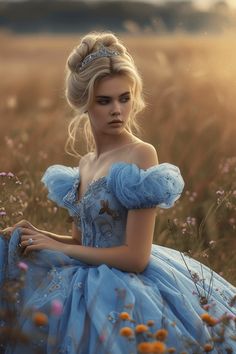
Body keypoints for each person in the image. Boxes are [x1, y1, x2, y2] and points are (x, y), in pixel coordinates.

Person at [0, 32, 235, 354]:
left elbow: (136, 258)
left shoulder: (140, 155)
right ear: (83, 103)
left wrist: (56, 247)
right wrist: (36, 234)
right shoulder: (85, 164)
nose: (117, 110)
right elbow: (85, 242)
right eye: (104, 100)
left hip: (127, 285)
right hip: (86, 276)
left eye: (124, 98)